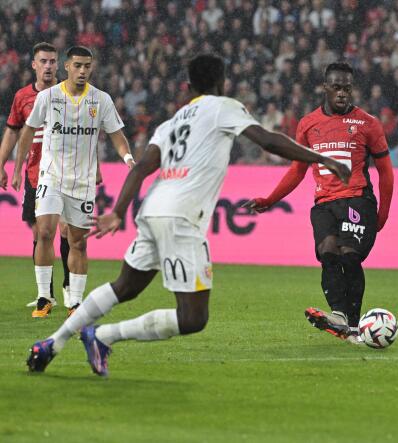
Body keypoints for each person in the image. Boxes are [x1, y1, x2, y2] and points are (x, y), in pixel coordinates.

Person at [26, 53, 351, 376]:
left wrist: (118, 211)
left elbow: (140, 169)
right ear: (221, 82)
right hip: (181, 218)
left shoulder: (173, 122)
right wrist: (324, 159)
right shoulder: (224, 106)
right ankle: (103, 335)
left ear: (190, 85)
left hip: (152, 211)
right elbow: (268, 141)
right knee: (193, 318)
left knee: (124, 286)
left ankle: (52, 343)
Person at [245, 62, 394, 344]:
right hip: (324, 204)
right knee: (327, 253)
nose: (342, 93)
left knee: (349, 255)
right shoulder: (308, 124)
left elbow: (386, 172)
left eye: (347, 88)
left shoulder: (368, 123)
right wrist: (270, 199)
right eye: (336, 87)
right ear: (325, 88)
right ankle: (339, 317)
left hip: (357, 200)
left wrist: (382, 213)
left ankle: (352, 324)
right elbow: (297, 171)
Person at [11, 46, 135, 318]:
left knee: (78, 242)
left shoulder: (101, 100)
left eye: (87, 66)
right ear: (66, 66)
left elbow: (116, 134)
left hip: (82, 182)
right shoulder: (48, 97)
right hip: (51, 176)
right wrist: (18, 166)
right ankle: (44, 297)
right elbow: (28, 130)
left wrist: (127, 157)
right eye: (77, 65)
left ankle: (75, 303)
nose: (82, 71)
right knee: (45, 232)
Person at [0, 42, 71, 312]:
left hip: (64, 173)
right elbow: (12, 131)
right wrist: (3, 165)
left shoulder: (69, 93)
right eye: (44, 61)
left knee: (65, 229)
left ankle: (69, 288)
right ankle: (46, 295)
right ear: (34, 65)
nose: (48, 66)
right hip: (34, 174)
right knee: (39, 232)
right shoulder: (22, 97)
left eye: (52, 61)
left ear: (58, 65)